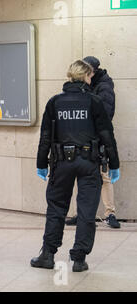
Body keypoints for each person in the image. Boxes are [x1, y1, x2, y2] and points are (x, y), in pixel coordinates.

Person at [31, 60, 120, 273]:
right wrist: (114, 164)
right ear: (86, 76)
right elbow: (107, 135)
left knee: (56, 208)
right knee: (87, 210)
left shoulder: (55, 102)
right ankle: (79, 258)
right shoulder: (95, 102)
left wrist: (41, 163)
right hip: (89, 163)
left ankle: (48, 255)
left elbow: (45, 137)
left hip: (61, 163)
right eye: (90, 77)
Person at [66, 56, 120, 229]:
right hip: (84, 139)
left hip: (98, 138)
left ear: (93, 72)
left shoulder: (103, 86)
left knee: (104, 176)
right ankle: (82, 213)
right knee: (82, 175)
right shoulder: (86, 86)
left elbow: (105, 114)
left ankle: (110, 213)